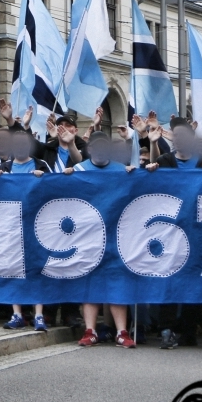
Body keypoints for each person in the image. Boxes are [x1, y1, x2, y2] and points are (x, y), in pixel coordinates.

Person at [68, 131, 136, 348]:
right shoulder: (77, 170)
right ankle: (90, 330)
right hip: (87, 236)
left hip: (116, 236)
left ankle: (122, 332)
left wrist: (140, 174)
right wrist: (62, 178)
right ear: (89, 149)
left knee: (117, 283)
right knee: (90, 283)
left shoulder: (122, 170)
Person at [0, 124, 50, 331]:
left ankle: (38, 315)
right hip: (11, 226)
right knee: (13, 269)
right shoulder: (5, 168)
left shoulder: (41, 165)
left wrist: (44, 179)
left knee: (37, 269)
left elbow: (56, 189)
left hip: (36, 225)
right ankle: (17, 314)